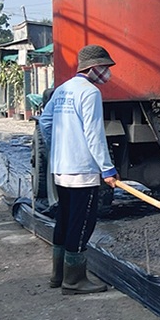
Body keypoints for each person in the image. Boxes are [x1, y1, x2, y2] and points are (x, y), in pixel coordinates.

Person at [37, 44, 119, 294]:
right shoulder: (90, 92)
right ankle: (73, 281)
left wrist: (59, 148)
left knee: (64, 220)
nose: (107, 72)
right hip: (82, 170)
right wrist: (107, 169)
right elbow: (94, 134)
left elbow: (45, 122)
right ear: (93, 68)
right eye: (104, 67)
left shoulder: (62, 90)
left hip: (62, 169)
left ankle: (57, 275)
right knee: (82, 224)